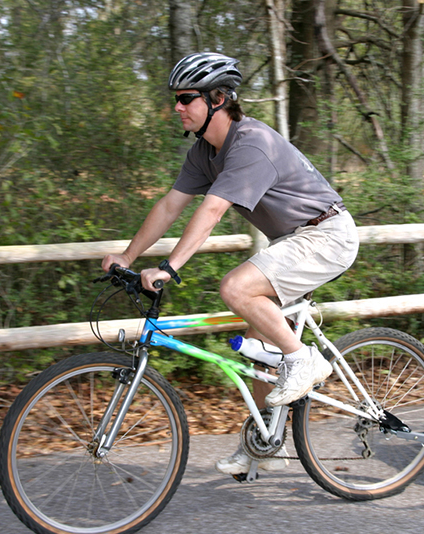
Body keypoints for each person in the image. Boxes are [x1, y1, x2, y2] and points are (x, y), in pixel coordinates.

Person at [101, 52, 359, 476]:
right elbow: (171, 206)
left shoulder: (252, 144)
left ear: (218, 98)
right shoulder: (205, 152)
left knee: (237, 288)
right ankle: (262, 441)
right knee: (259, 348)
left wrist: (169, 267)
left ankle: (305, 359)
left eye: (186, 98)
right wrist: (128, 257)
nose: (177, 107)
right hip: (294, 240)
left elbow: (212, 211)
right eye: (177, 100)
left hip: (327, 236)